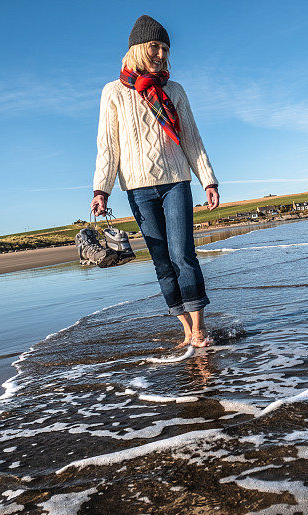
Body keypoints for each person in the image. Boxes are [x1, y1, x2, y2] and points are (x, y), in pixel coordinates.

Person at [90, 15, 220, 348]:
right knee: (162, 263)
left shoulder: (174, 90)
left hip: (177, 182)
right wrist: (101, 190)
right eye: (154, 46)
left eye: (165, 48)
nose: (161, 54)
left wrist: (208, 180)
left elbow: (192, 139)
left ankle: (200, 329)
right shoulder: (113, 92)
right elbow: (108, 145)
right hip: (138, 189)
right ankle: (186, 330)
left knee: (183, 255)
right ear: (137, 48)